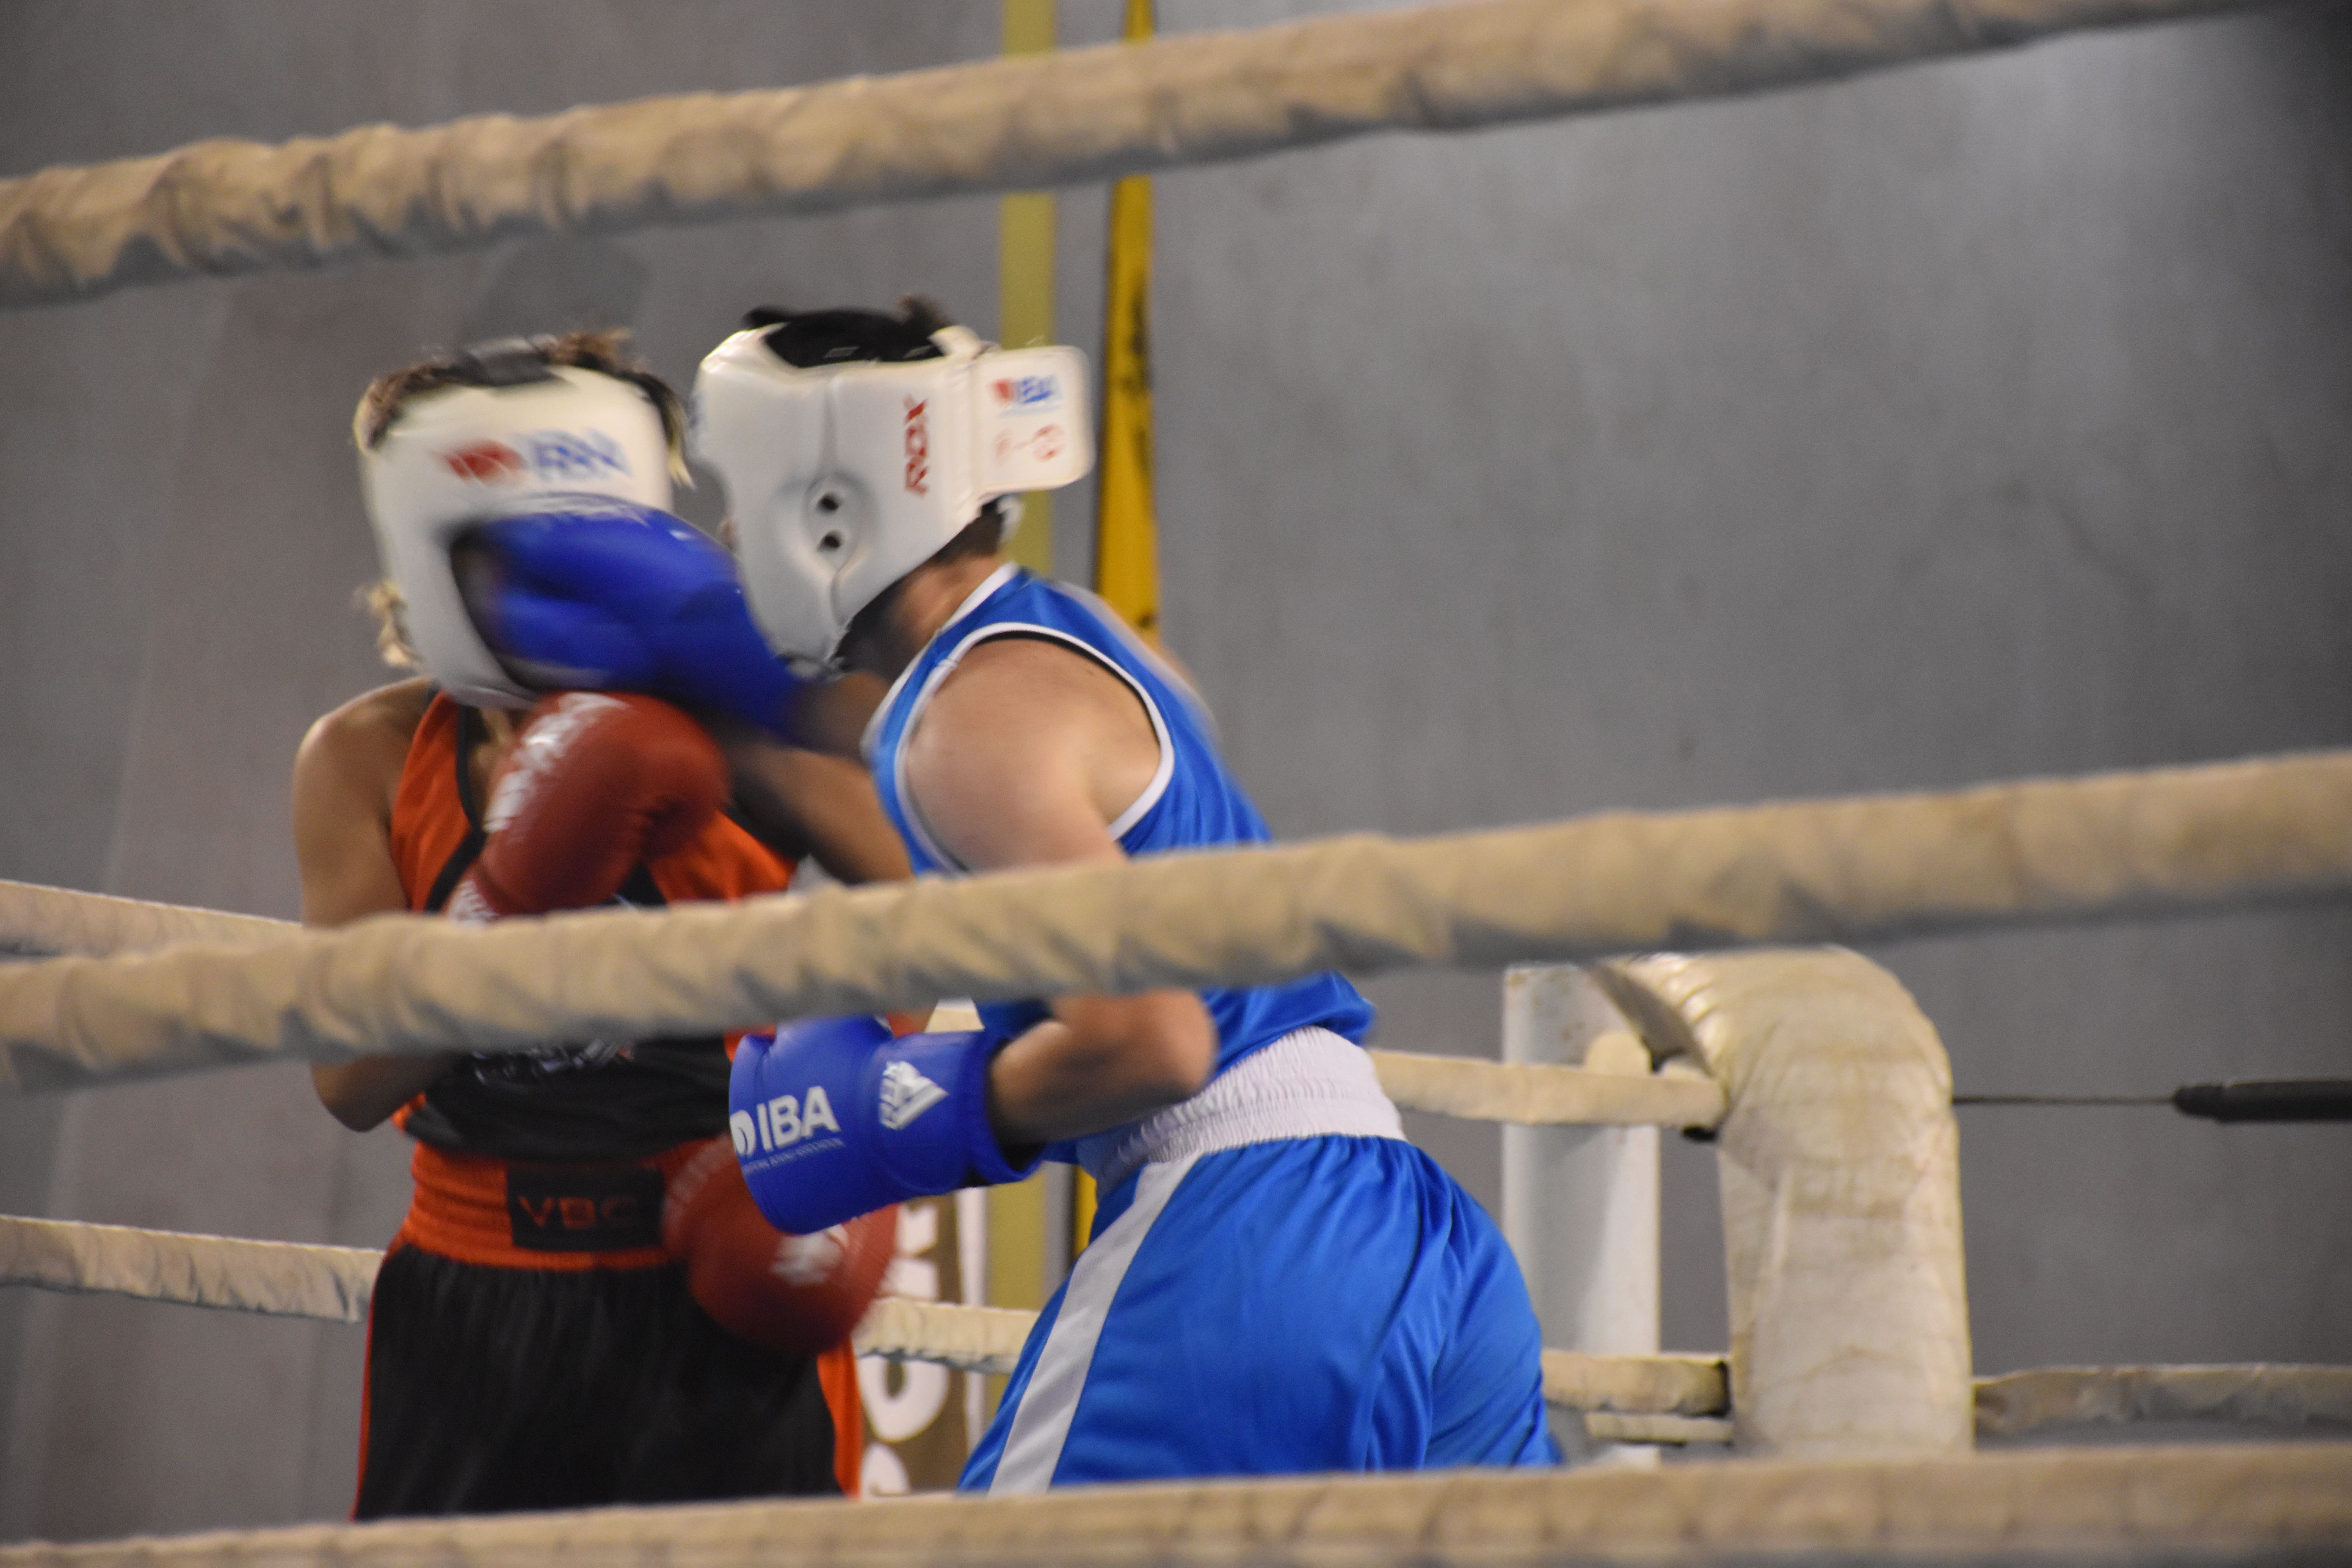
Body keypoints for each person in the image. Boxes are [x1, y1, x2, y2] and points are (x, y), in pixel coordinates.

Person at [468, 303, 1559, 1490]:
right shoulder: (1077, 640)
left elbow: (1155, 1039)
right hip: (1416, 1234)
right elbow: (907, 732)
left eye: (745, 495)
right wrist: (723, 662)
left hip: (1248, 1232)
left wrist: (906, 1113)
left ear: (827, 503)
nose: (731, 534)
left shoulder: (964, 733)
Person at [295, 331, 909, 1518]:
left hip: (713, 1274)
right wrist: (509, 901)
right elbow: (350, 1080)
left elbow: (960, 914)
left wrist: (838, 1137)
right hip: (475, 1302)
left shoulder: (735, 734)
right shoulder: (370, 757)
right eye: (516, 556)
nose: (558, 585)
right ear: (426, 556)